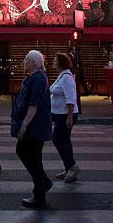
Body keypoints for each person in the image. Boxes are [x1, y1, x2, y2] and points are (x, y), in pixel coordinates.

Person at [12, 50, 53, 208]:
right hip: (34, 125)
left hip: (35, 126)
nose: (24, 62)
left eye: (26, 60)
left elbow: (33, 105)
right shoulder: (33, 78)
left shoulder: (37, 79)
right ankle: (41, 188)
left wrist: (24, 126)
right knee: (33, 157)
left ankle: (41, 189)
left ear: (34, 63)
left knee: (27, 154)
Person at [49, 52, 80, 183]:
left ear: (61, 63)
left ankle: (72, 166)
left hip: (65, 114)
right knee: (64, 140)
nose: (53, 63)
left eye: (56, 61)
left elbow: (70, 98)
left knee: (58, 139)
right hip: (59, 114)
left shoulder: (66, 77)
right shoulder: (62, 76)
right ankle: (69, 168)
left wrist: (69, 117)